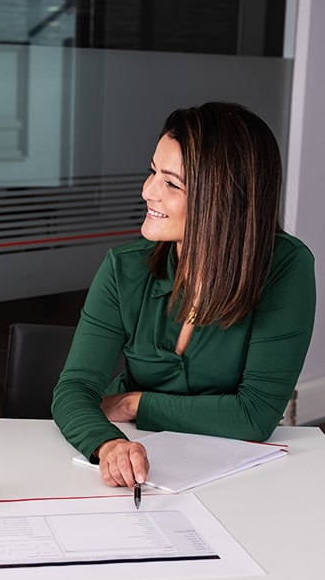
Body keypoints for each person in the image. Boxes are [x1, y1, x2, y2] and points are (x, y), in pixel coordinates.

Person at [52, 102, 316, 490]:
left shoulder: (285, 269)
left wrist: (132, 403)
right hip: (142, 464)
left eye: (171, 183)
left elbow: (254, 416)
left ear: (224, 199)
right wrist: (108, 444)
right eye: (152, 172)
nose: (147, 191)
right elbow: (74, 389)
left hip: (240, 476)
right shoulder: (123, 267)